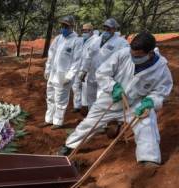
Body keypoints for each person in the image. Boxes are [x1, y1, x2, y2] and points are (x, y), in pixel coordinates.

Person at [59, 32, 173, 167]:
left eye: (138, 56)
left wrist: (151, 101)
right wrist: (113, 87)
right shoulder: (123, 54)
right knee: (89, 123)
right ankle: (70, 145)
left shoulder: (160, 68)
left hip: (137, 104)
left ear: (150, 53)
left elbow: (161, 91)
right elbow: (102, 72)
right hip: (111, 99)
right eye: (132, 54)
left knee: (147, 125)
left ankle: (149, 158)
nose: (134, 58)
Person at [44, 15, 83, 129]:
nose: (63, 28)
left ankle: (58, 122)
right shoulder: (58, 38)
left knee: (60, 99)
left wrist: (69, 76)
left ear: (71, 26)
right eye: (62, 25)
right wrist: (47, 69)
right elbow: (51, 54)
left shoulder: (77, 41)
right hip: (53, 74)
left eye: (66, 26)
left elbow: (77, 61)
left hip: (64, 75)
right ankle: (49, 119)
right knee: (50, 97)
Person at [78, 23, 100, 109]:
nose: (83, 33)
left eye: (85, 31)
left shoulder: (96, 40)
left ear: (91, 31)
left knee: (92, 92)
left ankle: (90, 108)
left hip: (92, 69)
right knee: (84, 89)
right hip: (84, 68)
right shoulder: (85, 40)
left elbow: (90, 57)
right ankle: (85, 106)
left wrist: (85, 70)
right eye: (82, 31)